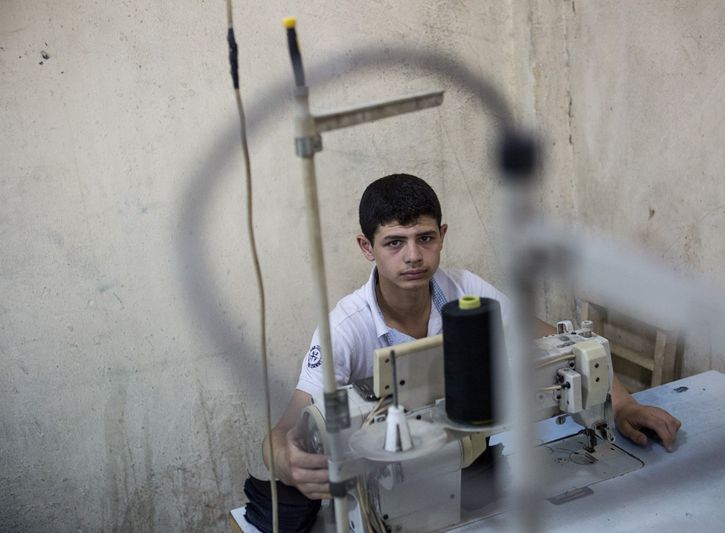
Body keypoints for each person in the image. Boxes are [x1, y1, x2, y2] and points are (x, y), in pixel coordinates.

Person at [264, 173, 681, 500]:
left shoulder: (465, 291)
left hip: (466, 469)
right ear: (366, 247)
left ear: (442, 236)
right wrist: (287, 462)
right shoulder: (344, 329)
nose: (413, 256)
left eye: (425, 238)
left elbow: (564, 346)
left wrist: (624, 405)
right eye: (394, 243)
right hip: (387, 490)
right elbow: (282, 434)